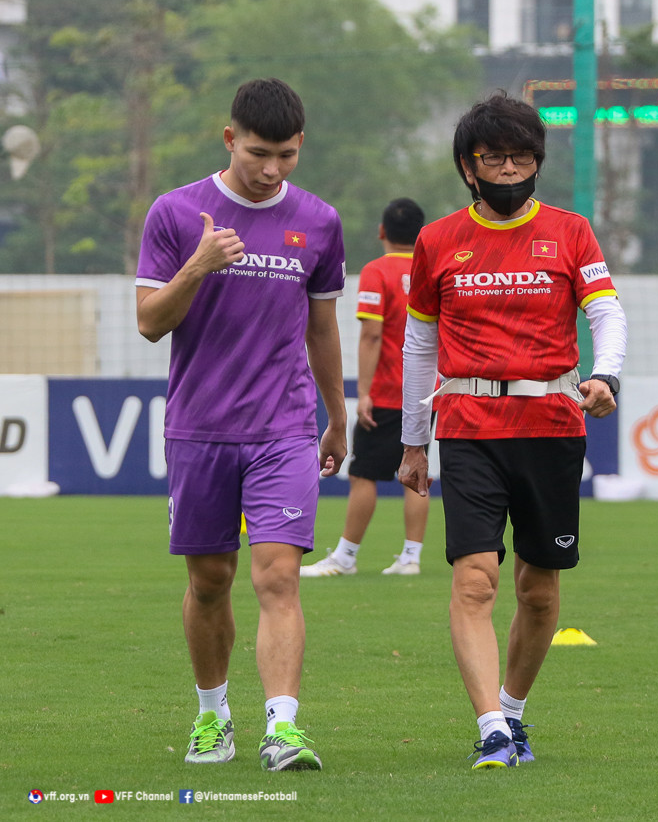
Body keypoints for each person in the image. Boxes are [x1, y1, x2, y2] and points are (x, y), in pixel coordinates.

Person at [398, 91, 627, 770]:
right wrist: (416, 440)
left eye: (521, 156)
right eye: (493, 157)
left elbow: (606, 312)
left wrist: (607, 377)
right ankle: (491, 727)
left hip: (554, 425)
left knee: (539, 587)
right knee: (475, 580)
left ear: (537, 162)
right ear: (468, 166)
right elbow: (417, 345)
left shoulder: (572, 231)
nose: (508, 169)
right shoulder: (437, 241)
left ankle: (515, 710)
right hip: (468, 427)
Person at [135, 78, 347, 772]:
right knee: (209, 581)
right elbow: (149, 323)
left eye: (286, 156)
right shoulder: (175, 213)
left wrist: (336, 416)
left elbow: (322, 328)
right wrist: (197, 266)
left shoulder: (318, 221)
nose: (271, 170)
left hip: (284, 428)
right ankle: (211, 716)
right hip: (199, 428)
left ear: (300, 147)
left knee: (278, 576)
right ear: (230, 140)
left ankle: (283, 728)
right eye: (258, 153)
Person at [300, 198, 429, 578]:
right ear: (421, 234)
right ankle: (411, 557)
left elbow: (372, 333)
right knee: (416, 473)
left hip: (390, 390)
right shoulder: (430, 268)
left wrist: (366, 392)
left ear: (382, 232)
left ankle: (346, 557)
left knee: (363, 475)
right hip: (427, 389)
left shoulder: (377, 271)